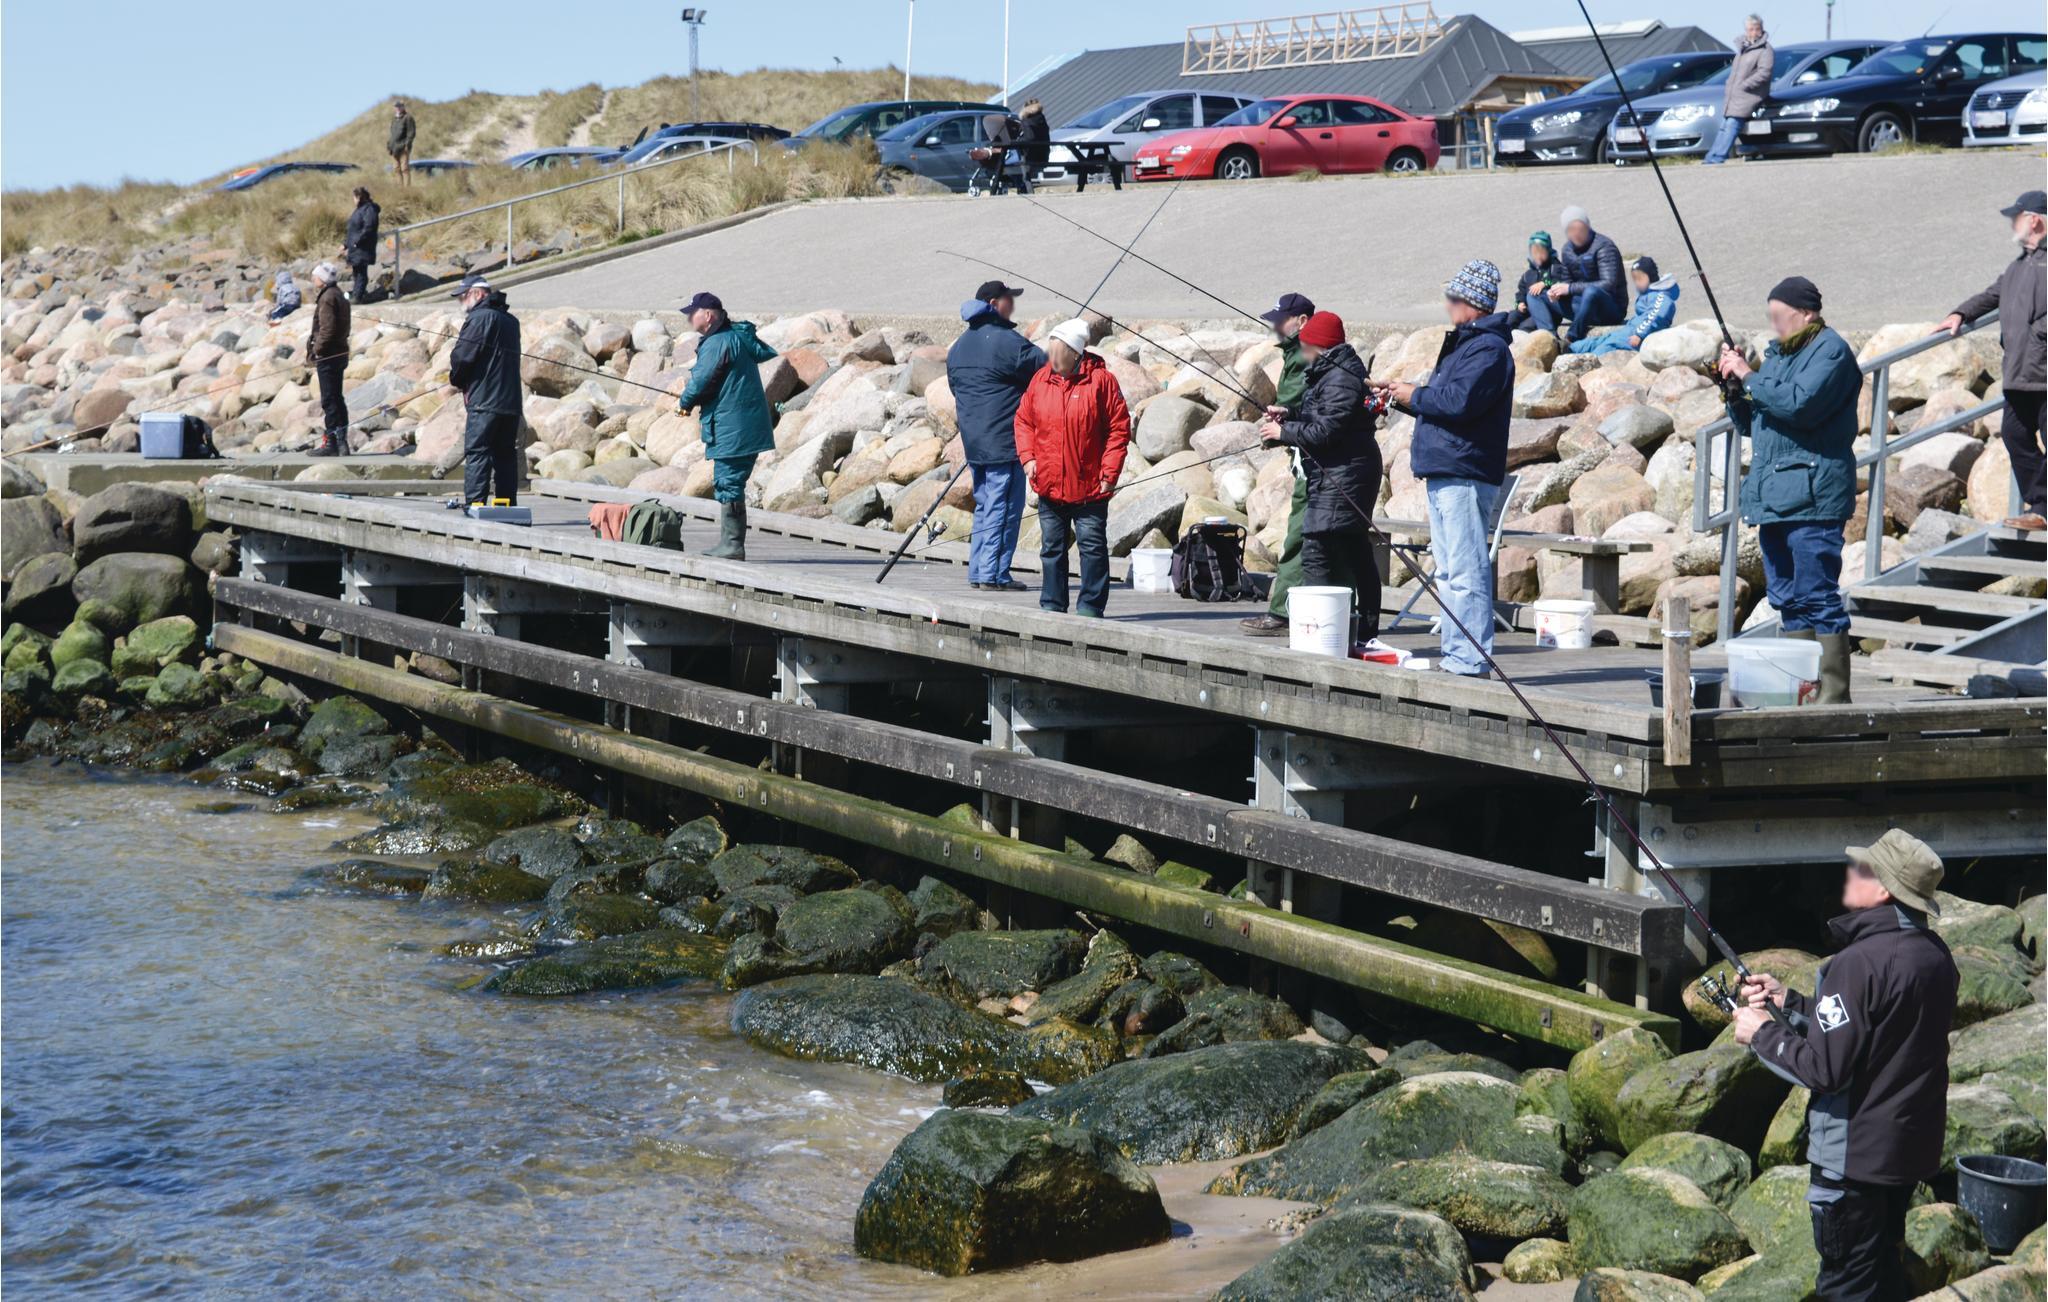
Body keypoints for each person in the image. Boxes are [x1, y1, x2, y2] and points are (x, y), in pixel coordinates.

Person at [1732, 829, 1957, 1302]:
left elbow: (1825, 1070)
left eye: (1863, 869)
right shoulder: (1935, 957)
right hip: (1902, 1158)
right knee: (1884, 1280)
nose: (1850, 873)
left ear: (1884, 890)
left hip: (1852, 1166)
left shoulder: (1856, 963)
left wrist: (1761, 1033)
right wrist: (1790, 1003)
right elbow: (1879, 1031)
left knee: (1844, 1289)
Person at [1719, 276, 1862, 703]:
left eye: (1779, 317)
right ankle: (1805, 689)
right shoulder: (1779, 357)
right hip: (1775, 497)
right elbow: (1757, 424)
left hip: (1814, 496)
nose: (1774, 325)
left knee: (1818, 595)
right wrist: (1734, 391)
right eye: (1771, 317)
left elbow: (1799, 405)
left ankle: (1834, 696)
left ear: (1806, 313)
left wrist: (1749, 375)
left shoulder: (1831, 351)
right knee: (1786, 597)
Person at [1374, 260, 1515, 677]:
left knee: (1466, 571)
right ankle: (1457, 656)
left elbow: (1458, 402)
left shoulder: (1489, 350)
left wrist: (1414, 395)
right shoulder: (1467, 345)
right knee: (1450, 571)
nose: (1447, 304)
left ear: (1472, 303)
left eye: (1452, 297)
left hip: (1465, 473)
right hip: (1446, 470)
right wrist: (1402, 397)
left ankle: (1470, 660)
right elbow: (1446, 402)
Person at [1257, 310, 1383, 644]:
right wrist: (1289, 414)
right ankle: (1359, 631)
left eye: (1306, 345)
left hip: (1346, 473)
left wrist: (1284, 433)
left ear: (1319, 346)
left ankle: (1323, 632)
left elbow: (1326, 432)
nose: (1302, 351)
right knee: (1354, 549)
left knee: (1317, 549)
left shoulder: (1341, 378)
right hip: (1343, 470)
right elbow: (1321, 415)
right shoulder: (1333, 372)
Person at [1939, 189, 2045, 529]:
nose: (2012, 224)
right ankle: (2042, 505)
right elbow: (1992, 295)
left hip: (2044, 371)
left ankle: (2043, 509)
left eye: (2016, 217)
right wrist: (1960, 313)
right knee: (2014, 436)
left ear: (2034, 221)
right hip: (2020, 373)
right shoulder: (2018, 266)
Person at [1015, 317, 1130, 617]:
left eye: (1058, 355)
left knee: (1092, 548)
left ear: (1076, 353)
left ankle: (1091, 606)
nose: (1052, 361)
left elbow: (1119, 429)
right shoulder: (1040, 380)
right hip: (1049, 485)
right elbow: (1024, 421)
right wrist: (1028, 458)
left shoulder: (1102, 382)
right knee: (1051, 549)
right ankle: (1052, 604)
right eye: (1050, 354)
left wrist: (1110, 473)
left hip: (1090, 487)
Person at [947, 279, 1046, 591]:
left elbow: (955, 388)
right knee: (1003, 507)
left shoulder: (959, 346)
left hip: (974, 442)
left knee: (985, 505)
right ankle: (993, 574)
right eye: (1008, 299)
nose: (1013, 304)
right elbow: (1046, 368)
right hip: (1004, 441)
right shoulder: (1007, 341)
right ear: (993, 304)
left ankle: (979, 571)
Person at [677, 290, 779, 561]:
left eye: (693, 313)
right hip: (742, 423)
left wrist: (684, 402)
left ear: (708, 315)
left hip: (734, 425)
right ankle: (731, 544)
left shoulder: (718, 342)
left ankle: (732, 545)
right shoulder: (731, 337)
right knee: (730, 481)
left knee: (728, 481)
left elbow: (701, 381)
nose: (689, 318)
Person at [1241, 292, 1319, 636]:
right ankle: (1343, 612)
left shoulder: (1304, 354)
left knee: (1299, 536)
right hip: (1309, 456)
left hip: (1314, 462)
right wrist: (1284, 417)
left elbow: (1313, 409)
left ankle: (1283, 613)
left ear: (1302, 321)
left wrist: (1282, 429)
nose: (1274, 327)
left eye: (1280, 320)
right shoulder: (1295, 352)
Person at [447, 273, 523, 504]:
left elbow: (462, 357)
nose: (461, 302)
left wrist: (456, 379)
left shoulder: (479, 318)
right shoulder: (511, 321)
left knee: (478, 453)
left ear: (478, 294)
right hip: (511, 402)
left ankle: (475, 504)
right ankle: (506, 505)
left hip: (484, 401)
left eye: (463, 296)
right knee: (505, 455)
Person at [1526, 206, 1625, 344]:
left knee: (1591, 292)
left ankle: (1571, 338)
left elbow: (1608, 284)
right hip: (1581, 306)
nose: (1576, 233)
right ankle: (1551, 341)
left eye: (1580, 228)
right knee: (1534, 295)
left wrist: (1569, 288)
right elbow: (1567, 282)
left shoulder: (1604, 246)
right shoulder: (1567, 250)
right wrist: (1557, 293)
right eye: (1571, 230)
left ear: (1587, 226)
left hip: (1609, 309)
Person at [1569, 255, 1679, 355]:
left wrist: (1639, 334)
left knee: (1608, 345)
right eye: (1635, 279)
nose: (1637, 283)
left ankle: (1590, 361)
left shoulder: (1662, 297)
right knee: (1599, 340)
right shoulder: (1649, 294)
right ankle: (1569, 348)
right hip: (1629, 331)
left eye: (1640, 279)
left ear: (1651, 277)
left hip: (1637, 337)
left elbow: (1655, 316)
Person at [1704, 15, 1772, 165]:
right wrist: (1730, 84)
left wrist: (1745, 84)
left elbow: (1764, 73)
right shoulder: (1743, 49)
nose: (1754, 32)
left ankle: (1718, 156)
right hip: (1734, 96)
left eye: (1757, 29)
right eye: (1751, 29)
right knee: (1724, 126)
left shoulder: (1765, 50)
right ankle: (1711, 156)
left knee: (1732, 125)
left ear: (1761, 29)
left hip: (1749, 96)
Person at [306, 263, 350, 457]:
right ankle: (342, 443)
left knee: (329, 400)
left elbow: (327, 329)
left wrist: (317, 350)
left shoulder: (327, 297)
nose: (313, 279)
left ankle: (332, 443)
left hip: (329, 355)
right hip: (340, 353)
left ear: (322, 279)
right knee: (337, 398)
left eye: (315, 276)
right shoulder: (338, 294)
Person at [1507, 233, 1556, 332]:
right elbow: (1521, 292)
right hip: (1527, 310)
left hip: (1545, 311)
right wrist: (1519, 303)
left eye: (1542, 253)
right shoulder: (1528, 274)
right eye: (1535, 253)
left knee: (1525, 327)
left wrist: (1544, 283)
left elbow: (1561, 280)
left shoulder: (1554, 268)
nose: (1538, 256)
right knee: (1510, 319)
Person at [342, 187, 380, 303]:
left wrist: (356, 242)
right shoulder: (360, 210)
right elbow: (353, 230)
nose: (353, 200)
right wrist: (345, 244)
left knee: (361, 273)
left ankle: (357, 297)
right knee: (357, 272)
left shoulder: (369, 209)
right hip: (356, 248)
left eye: (354, 197)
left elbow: (369, 228)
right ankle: (357, 295)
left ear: (359, 197)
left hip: (362, 247)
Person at [981, 112, 1031, 195]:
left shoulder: (1012, 138)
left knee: (1005, 164)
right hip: (1020, 159)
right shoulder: (1026, 129)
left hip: (1015, 161)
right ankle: (1020, 186)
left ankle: (1019, 185)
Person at [1018, 99, 1052, 176]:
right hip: (1043, 155)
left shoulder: (1026, 120)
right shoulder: (1041, 119)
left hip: (1030, 156)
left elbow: (1029, 138)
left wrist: (1018, 140)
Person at [388, 101, 417, 188]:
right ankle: (400, 189)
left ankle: (407, 189)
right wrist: (389, 145)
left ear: (403, 107)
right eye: (396, 107)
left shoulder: (408, 117)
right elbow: (392, 133)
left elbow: (411, 133)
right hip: (394, 148)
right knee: (396, 169)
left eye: (399, 106)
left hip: (403, 147)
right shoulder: (394, 119)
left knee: (404, 169)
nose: (398, 108)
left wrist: (407, 145)